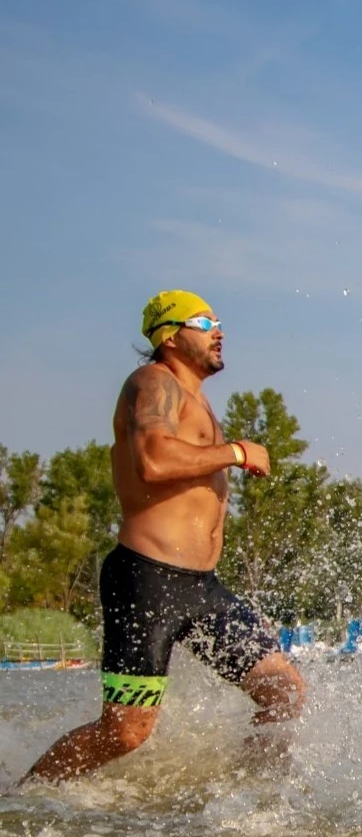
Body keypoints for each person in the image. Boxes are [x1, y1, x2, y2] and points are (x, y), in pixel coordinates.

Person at [17, 290, 305, 786]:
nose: (219, 331)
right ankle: (21, 798)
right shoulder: (152, 382)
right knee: (125, 733)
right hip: (147, 580)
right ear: (169, 336)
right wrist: (236, 452)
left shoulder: (198, 400)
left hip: (201, 587)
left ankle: (251, 803)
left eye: (219, 322)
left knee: (284, 692)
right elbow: (153, 460)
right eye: (204, 323)